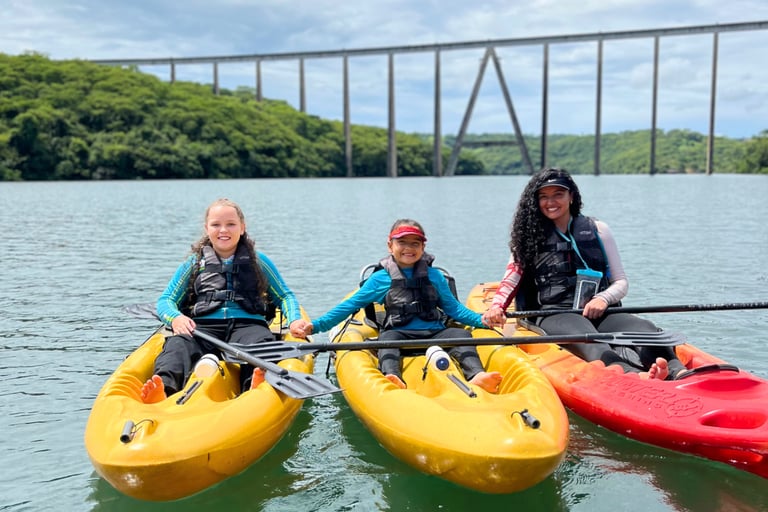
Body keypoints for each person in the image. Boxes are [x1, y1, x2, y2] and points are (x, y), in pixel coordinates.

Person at [481, 167, 686, 380]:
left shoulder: (598, 230)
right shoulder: (527, 237)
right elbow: (511, 279)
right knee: (589, 338)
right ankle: (632, 375)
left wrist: (603, 299)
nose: (551, 202)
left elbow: (621, 282)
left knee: (645, 328)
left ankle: (675, 369)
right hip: (555, 314)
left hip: (600, 311)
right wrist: (497, 307)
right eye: (544, 197)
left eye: (558, 194)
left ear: (571, 196)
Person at [298, 219, 502, 393]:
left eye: (415, 243)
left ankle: (477, 375)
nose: (409, 248)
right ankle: (392, 376)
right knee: (387, 339)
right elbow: (349, 306)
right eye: (402, 242)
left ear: (423, 247)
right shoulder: (379, 279)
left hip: (435, 333)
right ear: (390, 246)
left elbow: (454, 309)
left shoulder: (435, 276)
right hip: (400, 334)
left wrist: (482, 320)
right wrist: (316, 326)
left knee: (461, 335)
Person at [140, 198, 306, 404]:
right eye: (216, 224)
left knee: (260, 345)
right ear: (207, 228)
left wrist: (294, 320)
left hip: (248, 326)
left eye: (231, 224)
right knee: (178, 345)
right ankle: (164, 389)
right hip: (203, 328)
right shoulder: (194, 263)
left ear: (242, 227)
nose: (223, 230)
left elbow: (284, 296)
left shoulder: (258, 261)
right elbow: (166, 300)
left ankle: (255, 386)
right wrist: (175, 318)